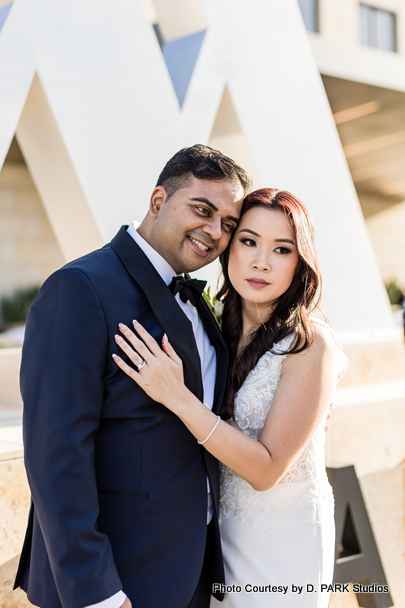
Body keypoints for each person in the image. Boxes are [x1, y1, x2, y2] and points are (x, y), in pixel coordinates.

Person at [14, 145, 251, 608]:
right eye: (202, 209)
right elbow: (55, 454)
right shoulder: (80, 288)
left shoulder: (199, 303)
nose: (214, 231)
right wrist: (97, 593)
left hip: (191, 574)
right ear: (158, 201)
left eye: (227, 223)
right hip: (119, 581)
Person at [112, 188, 348, 607]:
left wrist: (177, 397)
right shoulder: (216, 329)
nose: (261, 261)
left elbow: (266, 470)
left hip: (281, 540)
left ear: (301, 261)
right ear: (229, 246)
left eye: (282, 249)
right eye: (249, 241)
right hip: (214, 539)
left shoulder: (311, 345)